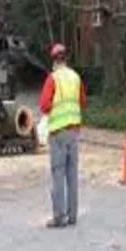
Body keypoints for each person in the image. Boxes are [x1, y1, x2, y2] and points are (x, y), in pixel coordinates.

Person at [39, 42, 86, 228]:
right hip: (74, 133)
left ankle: (59, 217)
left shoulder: (52, 79)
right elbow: (82, 102)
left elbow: (44, 105)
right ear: (66, 59)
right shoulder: (76, 78)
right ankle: (72, 216)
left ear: (54, 61)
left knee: (58, 174)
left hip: (58, 133)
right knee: (72, 174)